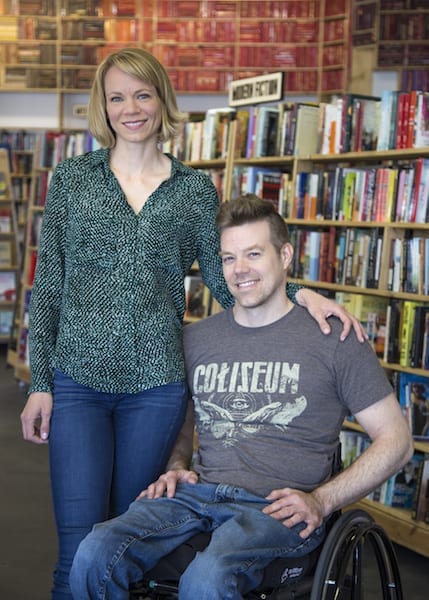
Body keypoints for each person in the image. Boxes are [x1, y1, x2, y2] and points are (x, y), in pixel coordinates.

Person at [20, 47, 363, 599]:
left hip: (156, 390)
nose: (130, 108)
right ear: (102, 108)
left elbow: (232, 281)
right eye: (117, 98)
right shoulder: (71, 180)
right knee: (79, 547)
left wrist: (304, 294)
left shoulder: (193, 191)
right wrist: (40, 384)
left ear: (161, 100)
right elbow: (51, 289)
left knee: (136, 548)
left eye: (142, 94)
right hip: (77, 383)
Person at [69, 194, 413, 600]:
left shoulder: (334, 339)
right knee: (93, 553)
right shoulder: (195, 338)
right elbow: (183, 423)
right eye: (229, 258)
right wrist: (178, 463)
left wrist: (321, 500)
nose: (239, 270)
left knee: (207, 579)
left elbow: (398, 442)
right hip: (196, 496)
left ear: (285, 256)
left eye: (253, 253)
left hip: (275, 509)